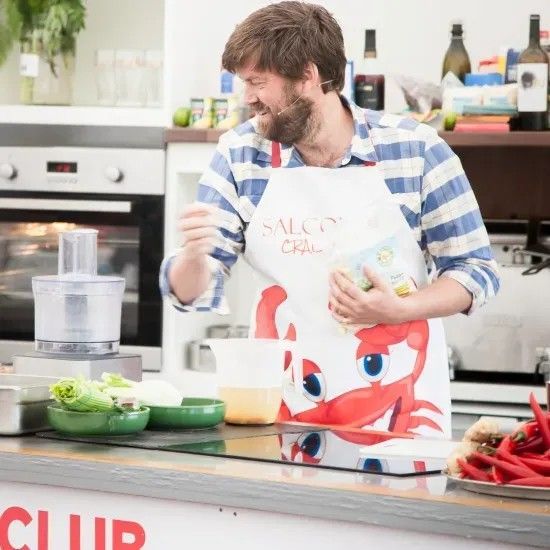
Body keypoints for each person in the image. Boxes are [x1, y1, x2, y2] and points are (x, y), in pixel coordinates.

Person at [160, 1, 500, 438]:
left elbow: (475, 271)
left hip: (402, 415)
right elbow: (193, 291)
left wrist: (402, 309)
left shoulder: (416, 150)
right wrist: (193, 256)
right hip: (278, 413)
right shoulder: (240, 155)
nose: (247, 98)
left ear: (308, 75)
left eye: (257, 82)